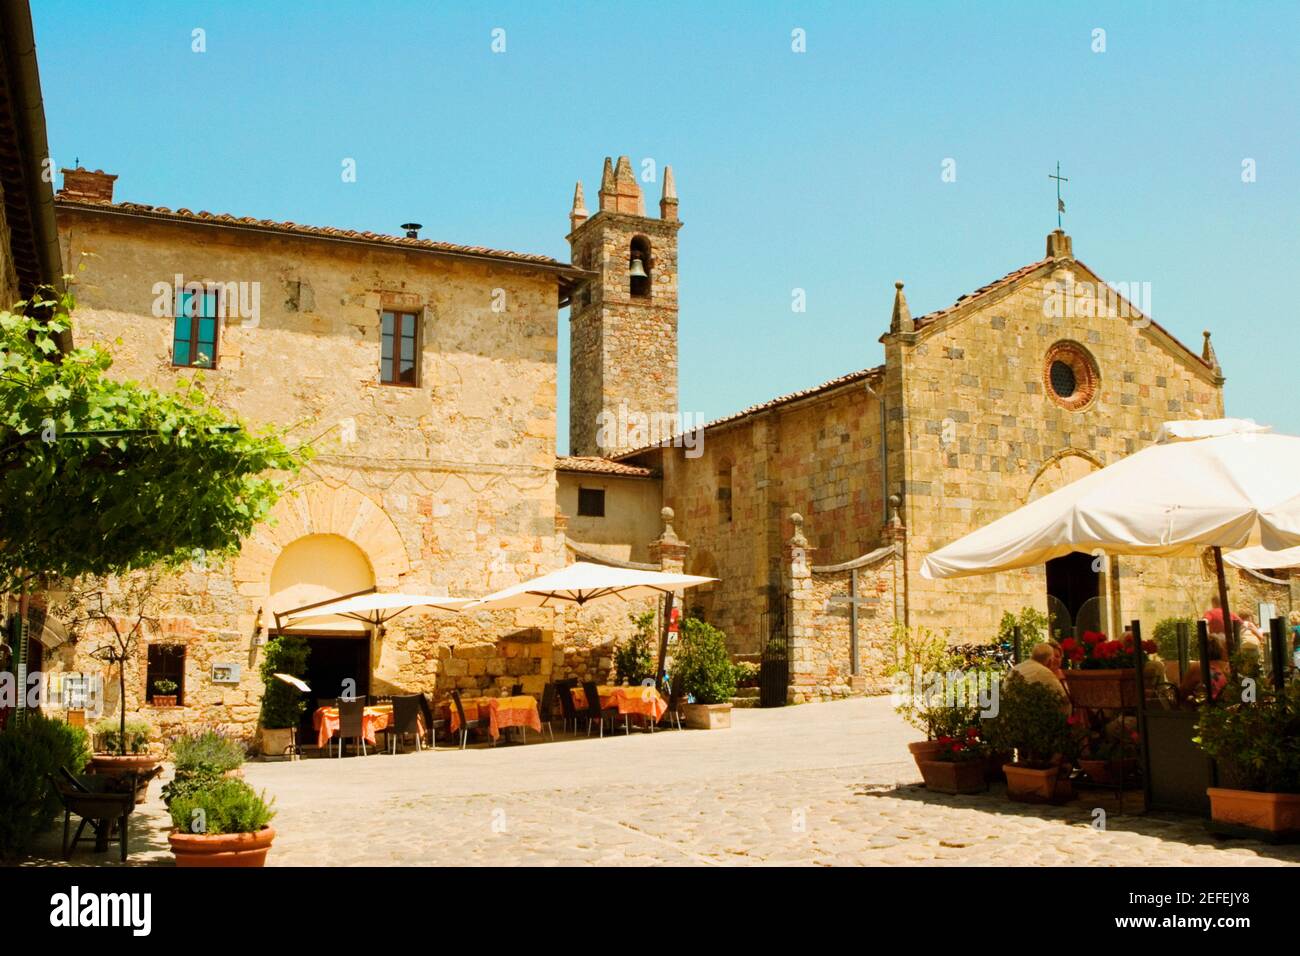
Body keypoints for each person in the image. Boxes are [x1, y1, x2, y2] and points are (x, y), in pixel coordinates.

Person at [1012, 643, 1071, 713]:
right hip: (1027, 716)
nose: (1055, 660)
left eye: (1058, 656)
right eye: (1053, 657)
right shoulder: (1043, 672)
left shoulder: (1018, 667)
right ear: (1049, 660)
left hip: (1011, 714)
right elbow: (1065, 698)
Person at [1179, 634, 1229, 702]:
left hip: (1208, 709)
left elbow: (1183, 692)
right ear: (1221, 649)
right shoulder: (1228, 666)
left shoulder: (1198, 667)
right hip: (1229, 708)